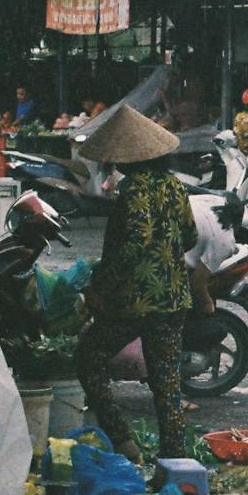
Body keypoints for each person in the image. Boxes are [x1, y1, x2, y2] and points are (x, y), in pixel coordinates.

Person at [74, 105, 196, 463]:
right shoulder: (175, 187)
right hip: (174, 300)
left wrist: (99, 286)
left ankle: (122, 438)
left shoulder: (133, 192)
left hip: (133, 303)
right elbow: (189, 237)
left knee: (89, 358)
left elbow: (130, 250)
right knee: (167, 385)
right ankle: (175, 463)